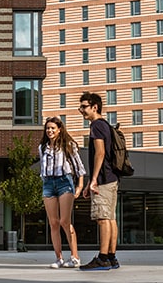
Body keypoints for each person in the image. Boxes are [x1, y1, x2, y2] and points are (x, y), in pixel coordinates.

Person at [79, 92, 120, 271]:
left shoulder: (96, 126)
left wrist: (93, 180)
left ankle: (103, 259)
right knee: (110, 218)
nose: (81, 110)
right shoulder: (106, 125)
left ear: (94, 107)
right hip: (111, 179)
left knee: (103, 219)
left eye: (84, 106)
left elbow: (100, 153)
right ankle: (111, 257)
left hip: (103, 180)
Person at [39, 115, 85, 268]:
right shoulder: (42, 147)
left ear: (59, 130)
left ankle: (75, 257)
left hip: (65, 182)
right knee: (53, 223)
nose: (49, 130)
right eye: (47, 128)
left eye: (52, 128)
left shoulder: (68, 145)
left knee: (65, 221)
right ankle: (59, 258)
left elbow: (79, 167)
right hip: (48, 183)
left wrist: (79, 186)